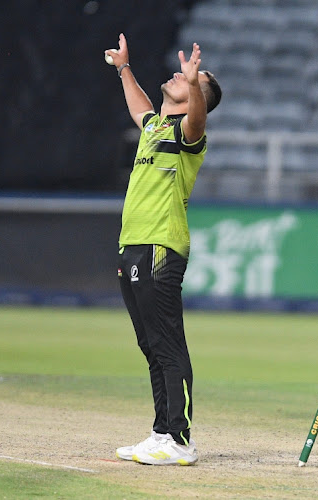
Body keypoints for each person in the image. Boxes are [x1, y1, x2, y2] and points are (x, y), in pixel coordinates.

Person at [107, 33, 222, 465]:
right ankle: (161, 432)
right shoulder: (156, 126)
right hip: (132, 245)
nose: (177, 74)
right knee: (151, 345)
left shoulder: (190, 134)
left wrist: (194, 84)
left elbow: (197, 118)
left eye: (191, 79)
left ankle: (181, 439)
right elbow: (139, 108)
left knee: (168, 344)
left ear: (198, 97)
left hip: (160, 246)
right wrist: (124, 69)